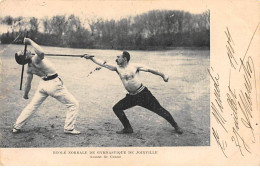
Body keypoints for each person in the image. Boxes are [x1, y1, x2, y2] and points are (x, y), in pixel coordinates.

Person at [83, 51, 183, 134]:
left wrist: (163, 75)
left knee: (159, 110)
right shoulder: (117, 68)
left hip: (143, 94)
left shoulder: (135, 66)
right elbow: (102, 64)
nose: (116, 59)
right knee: (117, 108)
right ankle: (128, 128)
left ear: (125, 59)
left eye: (118, 57)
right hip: (131, 97)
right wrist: (91, 58)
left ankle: (176, 125)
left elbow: (151, 70)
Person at [12, 38, 80, 134]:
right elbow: (41, 52)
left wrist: (26, 94)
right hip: (54, 84)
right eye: (23, 52)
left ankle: (17, 126)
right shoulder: (35, 59)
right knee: (73, 104)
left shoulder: (29, 69)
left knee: (32, 106)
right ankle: (69, 128)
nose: (25, 50)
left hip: (43, 85)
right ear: (25, 57)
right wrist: (29, 41)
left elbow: (28, 84)